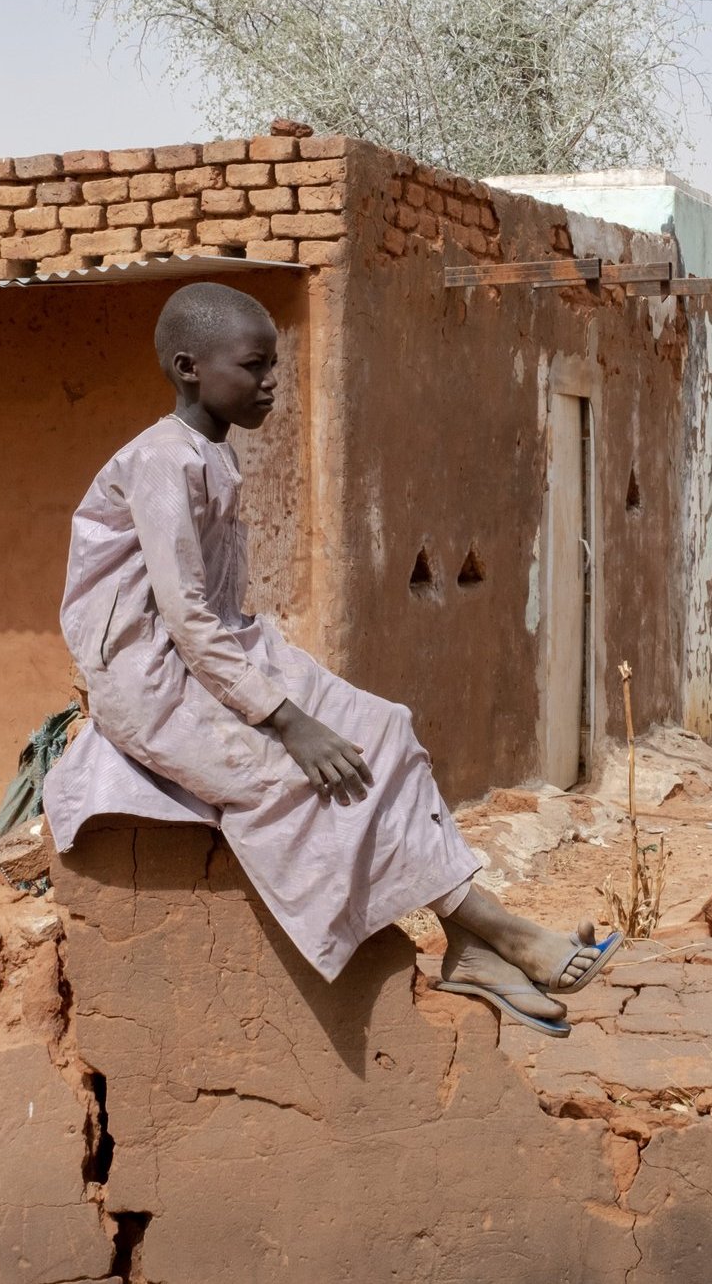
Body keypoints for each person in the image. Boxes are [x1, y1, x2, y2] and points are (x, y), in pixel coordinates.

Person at [42, 281, 616, 1035]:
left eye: (273, 364)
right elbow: (180, 615)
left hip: (219, 648)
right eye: (253, 366)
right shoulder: (160, 461)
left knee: (385, 728)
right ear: (189, 368)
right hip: (150, 676)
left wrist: (286, 694)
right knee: (302, 773)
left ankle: (471, 939)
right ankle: (494, 929)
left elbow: (211, 614)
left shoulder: (211, 454)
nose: (271, 381)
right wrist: (286, 720)